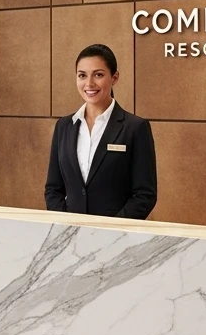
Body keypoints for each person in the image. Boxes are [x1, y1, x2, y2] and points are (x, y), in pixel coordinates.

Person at [44, 43, 157, 219]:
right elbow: (53, 189)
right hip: (69, 238)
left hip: (115, 239)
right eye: (82, 75)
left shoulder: (135, 128)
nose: (89, 83)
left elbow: (145, 195)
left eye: (98, 75)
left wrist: (110, 232)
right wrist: (65, 226)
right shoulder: (64, 126)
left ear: (114, 77)